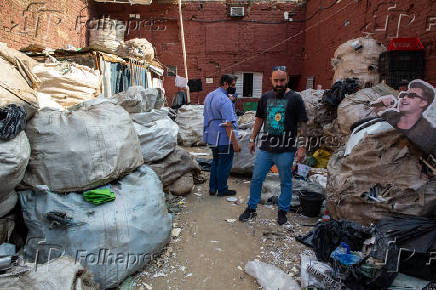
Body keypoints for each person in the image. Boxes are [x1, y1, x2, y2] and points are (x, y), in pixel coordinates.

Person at [239, 66, 308, 225]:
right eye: (275, 80)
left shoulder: (295, 98)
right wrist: (252, 139)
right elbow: (258, 120)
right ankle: (251, 208)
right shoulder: (265, 97)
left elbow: (302, 124)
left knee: (286, 181)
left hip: (286, 149)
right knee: (256, 178)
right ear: (271, 80)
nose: (279, 83)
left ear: (287, 79)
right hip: (266, 148)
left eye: (282, 80)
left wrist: (302, 146)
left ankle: (282, 210)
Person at [373, 79, 436, 156]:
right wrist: (380, 104)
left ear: (423, 102)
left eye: (412, 96)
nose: (404, 98)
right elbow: (377, 110)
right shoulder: (392, 114)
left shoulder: (427, 132)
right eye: (403, 95)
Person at [203, 74, 241, 196]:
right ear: (225, 83)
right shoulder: (225, 100)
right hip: (224, 138)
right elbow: (228, 124)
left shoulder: (209, 96)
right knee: (224, 165)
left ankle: (212, 188)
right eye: (233, 85)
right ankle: (223, 189)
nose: (234, 88)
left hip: (212, 136)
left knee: (216, 162)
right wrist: (235, 144)